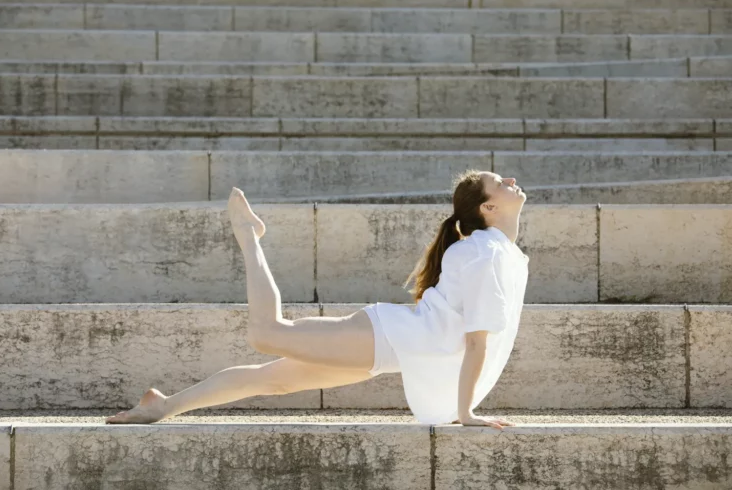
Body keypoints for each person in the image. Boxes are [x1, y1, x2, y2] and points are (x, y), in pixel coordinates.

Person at [105, 169, 528, 429]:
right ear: (488, 208)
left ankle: (161, 406)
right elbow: (476, 340)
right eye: (500, 182)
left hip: (393, 347)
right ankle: (249, 236)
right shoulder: (482, 252)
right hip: (390, 337)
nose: (510, 181)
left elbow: (476, 332)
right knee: (266, 333)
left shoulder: (494, 249)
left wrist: (463, 409)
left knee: (274, 379)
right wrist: (467, 412)